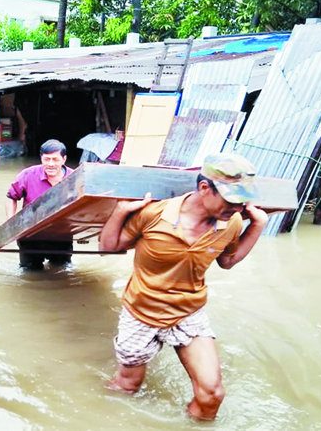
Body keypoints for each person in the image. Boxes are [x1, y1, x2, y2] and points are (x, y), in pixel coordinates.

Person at [98, 153, 268, 420]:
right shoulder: (153, 214)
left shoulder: (232, 223)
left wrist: (258, 225)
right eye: (232, 200)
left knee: (212, 394)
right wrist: (120, 211)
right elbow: (108, 247)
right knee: (127, 386)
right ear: (204, 188)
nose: (238, 208)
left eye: (243, 200)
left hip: (188, 312)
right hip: (141, 311)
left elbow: (228, 261)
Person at [6, 139, 75, 270]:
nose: (51, 164)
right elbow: (11, 197)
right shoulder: (28, 175)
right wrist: (11, 223)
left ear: (64, 160)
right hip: (30, 235)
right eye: (47, 159)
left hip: (62, 236)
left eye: (55, 160)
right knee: (29, 271)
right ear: (41, 158)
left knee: (62, 270)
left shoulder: (75, 177)